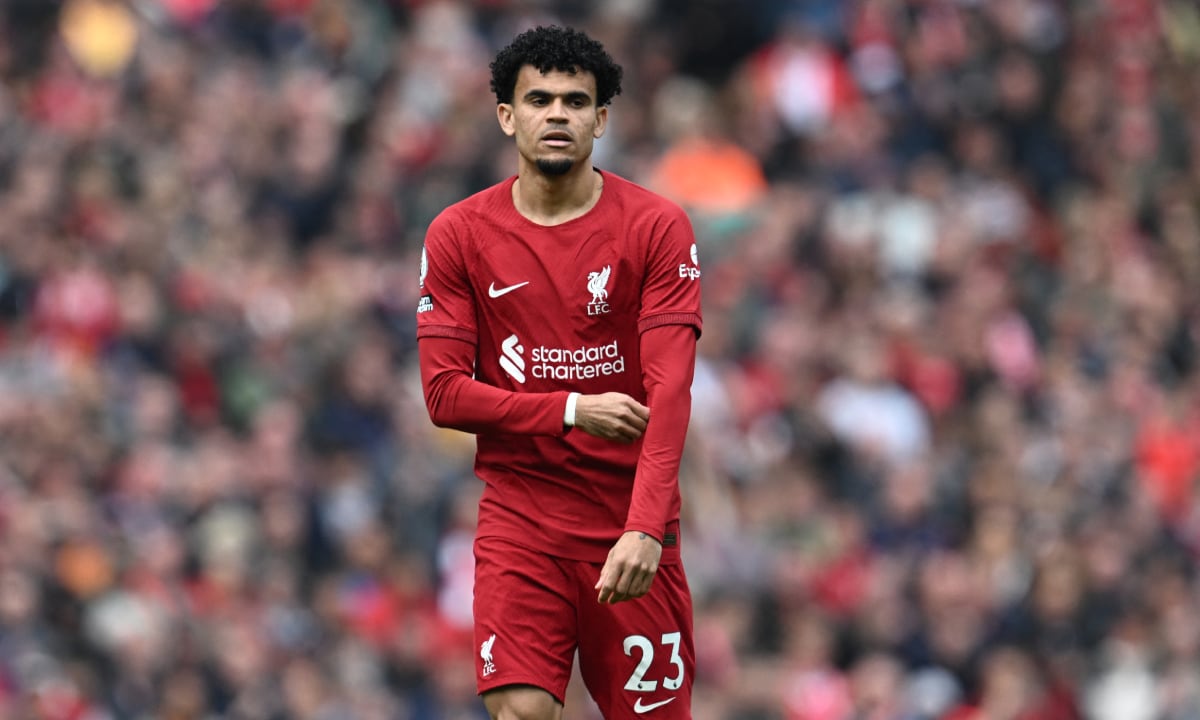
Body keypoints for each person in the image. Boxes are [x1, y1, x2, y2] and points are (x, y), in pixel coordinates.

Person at [416, 25, 703, 720]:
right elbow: (444, 393)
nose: (557, 115)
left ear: (601, 119)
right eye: (538, 99)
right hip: (523, 518)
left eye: (575, 102)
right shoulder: (458, 234)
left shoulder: (656, 228)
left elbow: (670, 390)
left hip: (629, 523)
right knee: (519, 709)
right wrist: (572, 407)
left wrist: (642, 527)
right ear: (507, 116)